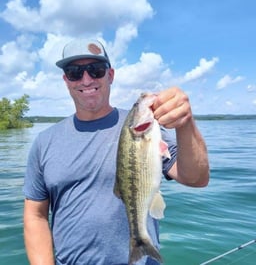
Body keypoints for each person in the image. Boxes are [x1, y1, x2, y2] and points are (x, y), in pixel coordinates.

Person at [23, 39, 209, 265]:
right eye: (74, 72)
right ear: (66, 81)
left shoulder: (148, 130)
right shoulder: (44, 142)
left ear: (110, 75)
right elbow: (35, 215)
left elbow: (197, 179)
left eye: (95, 70)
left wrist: (185, 124)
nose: (86, 79)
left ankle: (141, 245)